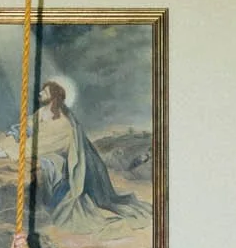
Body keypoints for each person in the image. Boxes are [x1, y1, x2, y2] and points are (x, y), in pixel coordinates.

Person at [31, 79, 149, 233]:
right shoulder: (40, 113)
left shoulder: (65, 120)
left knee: (59, 172)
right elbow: (31, 127)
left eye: (44, 92)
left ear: (53, 96)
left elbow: (60, 140)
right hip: (49, 150)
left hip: (64, 155)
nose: (40, 94)